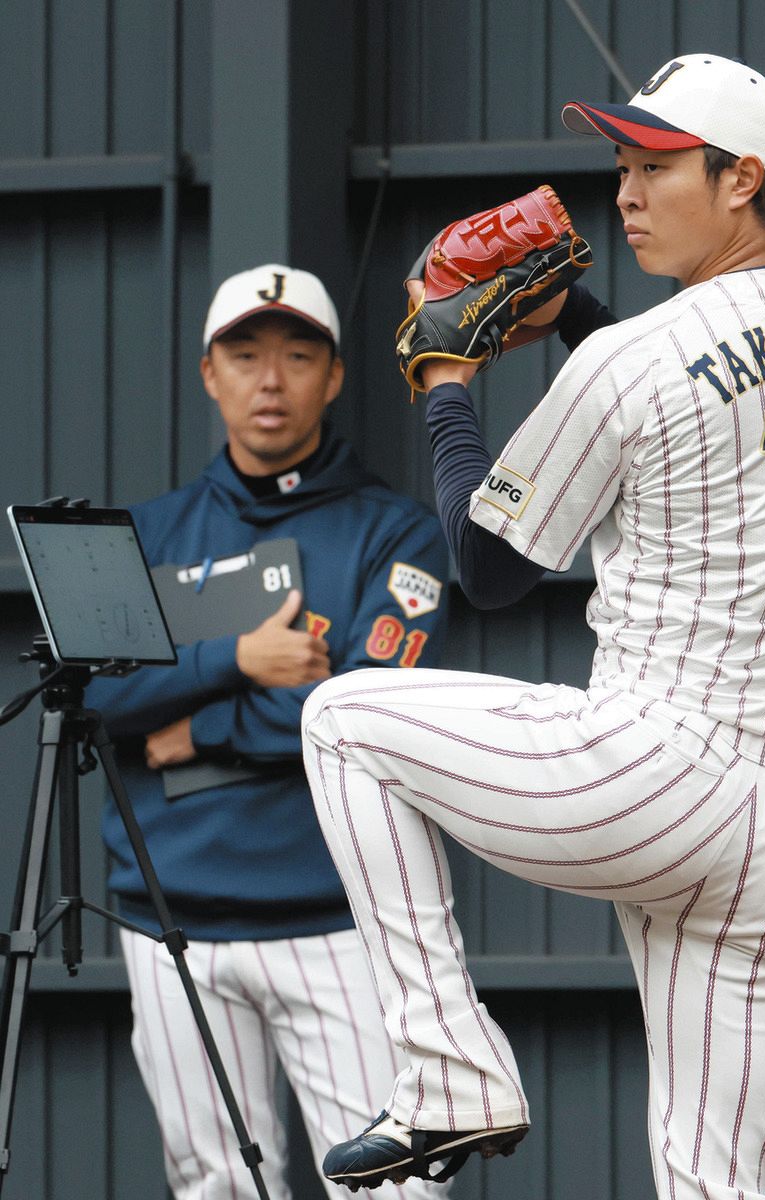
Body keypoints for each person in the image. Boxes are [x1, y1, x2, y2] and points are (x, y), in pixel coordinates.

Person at [302, 53, 765, 1199]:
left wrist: (442, 380)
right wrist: (575, 309)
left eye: (655, 166)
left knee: (342, 720)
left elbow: (485, 567)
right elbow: (704, 406)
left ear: (743, 181)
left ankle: (447, 1074)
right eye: (621, 166)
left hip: (655, 767)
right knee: (712, 1183)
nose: (622, 193)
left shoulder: (635, 359)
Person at [86, 264, 450, 1200]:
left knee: (395, 1189)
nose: (271, 381)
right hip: (172, 926)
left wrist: (189, 721)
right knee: (214, 1186)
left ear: (333, 377)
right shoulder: (148, 535)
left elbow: (366, 716)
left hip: (336, 918)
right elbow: (93, 703)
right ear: (210, 374)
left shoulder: (397, 535)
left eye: (298, 356)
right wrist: (236, 665)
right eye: (245, 356)